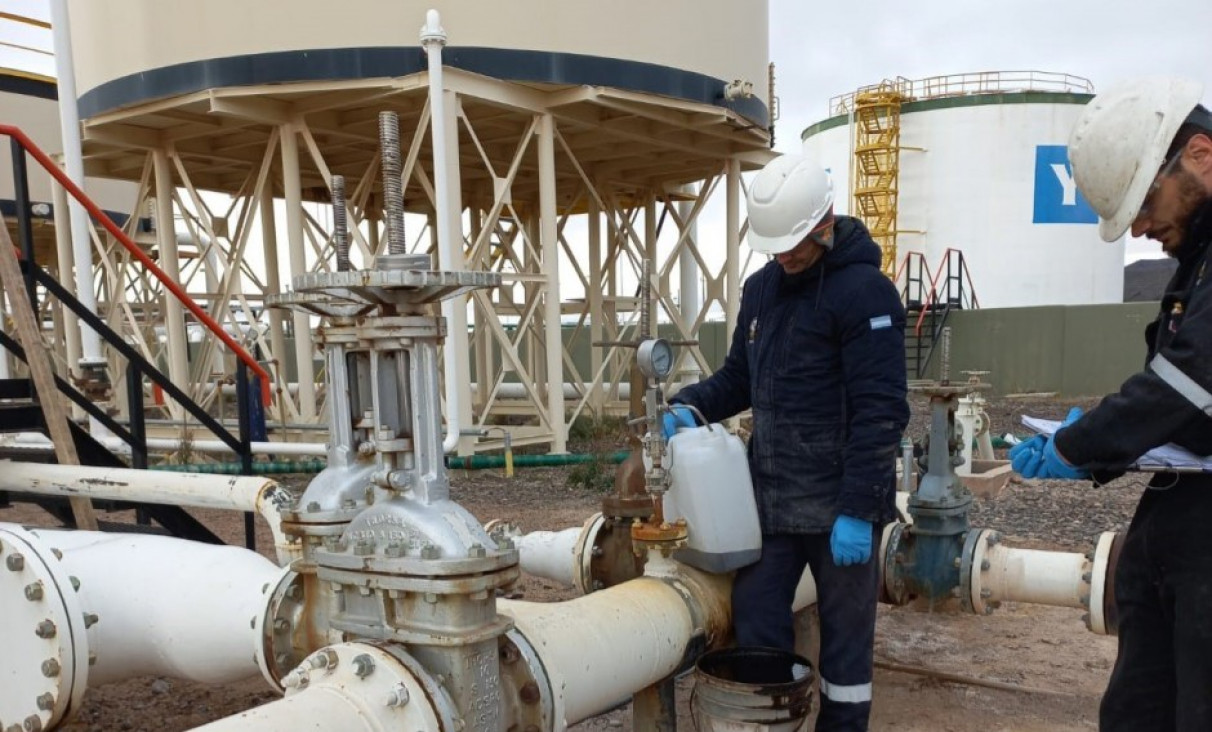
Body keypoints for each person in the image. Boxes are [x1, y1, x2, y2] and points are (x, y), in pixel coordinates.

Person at [665, 154, 909, 731]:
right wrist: (690, 405)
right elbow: (739, 380)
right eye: (774, 246)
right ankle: (767, 726)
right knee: (756, 624)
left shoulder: (867, 294)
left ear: (824, 222)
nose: (785, 255)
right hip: (772, 504)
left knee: (845, 653)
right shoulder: (762, 291)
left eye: (794, 243)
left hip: (840, 509)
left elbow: (882, 411)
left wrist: (858, 509)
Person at [1009, 77, 1212, 731]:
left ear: (1200, 155)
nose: (1143, 227)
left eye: (1145, 202)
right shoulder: (1200, 259)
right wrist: (1095, 433)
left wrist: (1080, 444)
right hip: (1184, 515)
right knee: (1138, 705)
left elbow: (1188, 379)